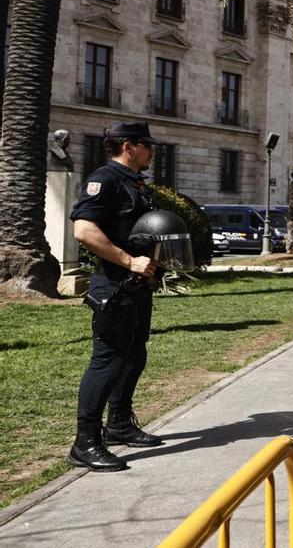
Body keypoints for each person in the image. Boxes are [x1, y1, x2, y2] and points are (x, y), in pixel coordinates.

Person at [67, 121, 163, 472]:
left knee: (134, 356)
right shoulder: (105, 181)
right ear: (128, 146)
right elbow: (84, 230)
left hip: (137, 288)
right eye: (146, 145)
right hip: (115, 286)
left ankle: (120, 425)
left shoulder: (133, 182)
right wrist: (128, 261)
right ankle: (85, 442)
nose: (152, 151)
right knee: (107, 362)